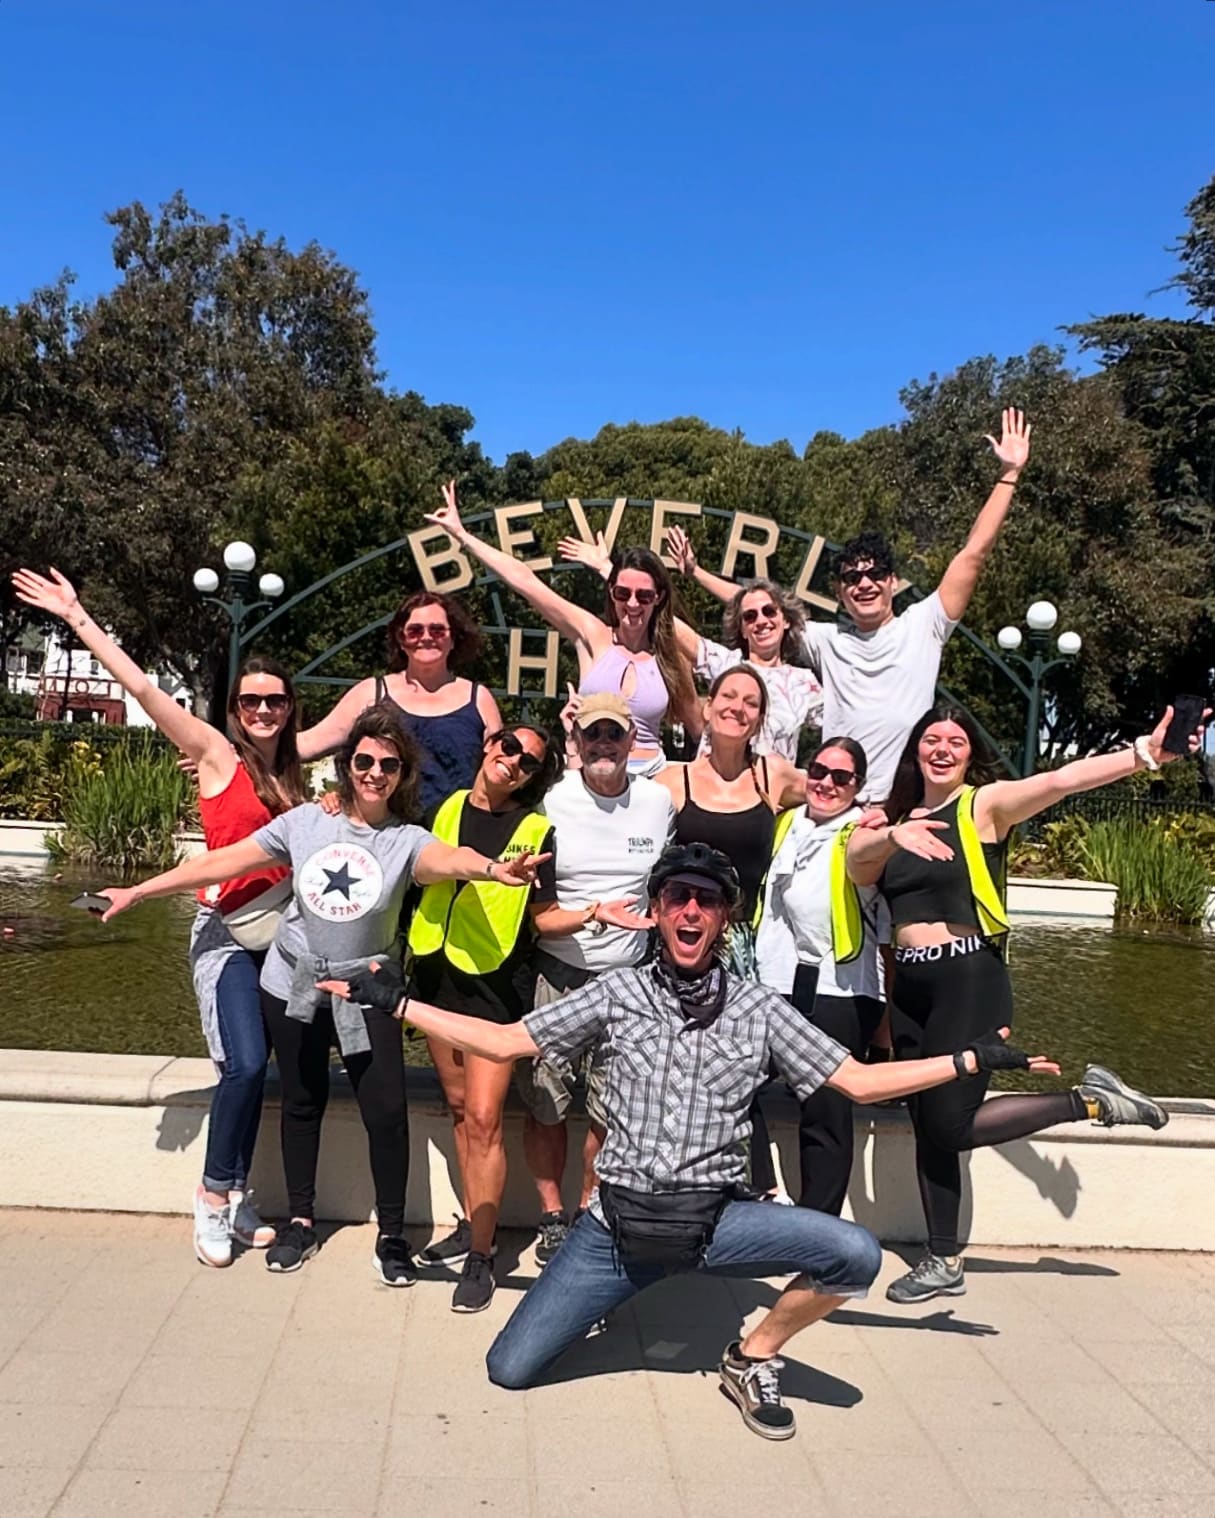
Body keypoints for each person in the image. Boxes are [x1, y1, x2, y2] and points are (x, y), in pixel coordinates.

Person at [322, 842, 1057, 1441]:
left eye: (706, 900)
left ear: (723, 919)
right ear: (656, 910)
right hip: (614, 1232)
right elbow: (507, 1040)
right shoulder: (619, 994)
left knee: (854, 1254)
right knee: (508, 1368)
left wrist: (969, 1060)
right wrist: (397, 1002)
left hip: (713, 1227)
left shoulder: (759, 1009)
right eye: (678, 897)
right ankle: (614, 1289)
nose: (691, 910)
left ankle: (750, 1356)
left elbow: (859, 1083)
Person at [96, 706, 549, 1286]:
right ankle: (301, 1221)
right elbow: (223, 861)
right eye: (364, 760)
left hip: (369, 990)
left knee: (386, 1113)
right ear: (347, 764)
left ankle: (391, 1237)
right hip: (294, 981)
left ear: (403, 773)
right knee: (302, 1103)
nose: (375, 773)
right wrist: (138, 891)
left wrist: (493, 870)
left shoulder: (408, 840)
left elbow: (450, 861)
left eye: (389, 764)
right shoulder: (307, 822)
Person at [847, 700, 1200, 1305]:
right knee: (929, 1128)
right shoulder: (894, 819)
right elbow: (856, 870)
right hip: (910, 985)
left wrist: (1142, 755)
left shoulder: (982, 806)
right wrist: (887, 833)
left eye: (955, 741)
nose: (943, 749)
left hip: (967, 978)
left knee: (950, 1125)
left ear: (968, 754)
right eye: (932, 738)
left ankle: (1086, 1101)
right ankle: (942, 1259)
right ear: (914, 750)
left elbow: (1059, 781)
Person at [12, 565, 309, 1268]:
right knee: (240, 1066)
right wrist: (77, 618)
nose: (263, 710)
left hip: (283, 940)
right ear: (234, 710)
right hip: (227, 935)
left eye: (275, 701)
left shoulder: (299, 776)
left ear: (290, 709)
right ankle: (211, 1196)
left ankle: (236, 1193)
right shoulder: (213, 755)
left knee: (263, 1067)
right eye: (251, 701)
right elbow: (142, 689)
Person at [666, 410, 1034, 802]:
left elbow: (972, 555)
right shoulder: (829, 640)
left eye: (875, 574)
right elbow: (762, 610)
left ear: (893, 581)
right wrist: (696, 573)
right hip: (838, 800)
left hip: (903, 802)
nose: (864, 583)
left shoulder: (924, 625)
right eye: (852, 578)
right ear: (840, 593)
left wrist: (1009, 475)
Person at [403, 723, 573, 1312]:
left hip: (496, 986)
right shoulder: (442, 807)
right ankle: (475, 1221)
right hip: (436, 971)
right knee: (457, 1111)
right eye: (509, 748)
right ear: (488, 747)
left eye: (529, 762)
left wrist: (595, 915)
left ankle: (482, 1255)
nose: (515, 763)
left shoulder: (535, 830)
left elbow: (543, 915)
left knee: (483, 1117)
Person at [515, 692, 676, 1262]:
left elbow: (669, 879)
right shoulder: (551, 802)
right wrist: (590, 914)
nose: (603, 745)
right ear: (577, 744)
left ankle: (589, 1209)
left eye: (614, 734)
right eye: (593, 735)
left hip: (629, 978)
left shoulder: (658, 803)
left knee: (610, 1110)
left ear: (632, 740)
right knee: (544, 1102)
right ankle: (551, 1215)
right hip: (559, 969)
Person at [655, 663, 809, 1195]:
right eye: (727, 696)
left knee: (741, 1062)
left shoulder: (775, 775)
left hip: (743, 944)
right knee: (675, 1059)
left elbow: (836, 795)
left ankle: (751, 1183)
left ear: (761, 717)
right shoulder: (672, 779)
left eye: (750, 702)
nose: (736, 708)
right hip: (679, 937)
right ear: (707, 704)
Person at [425, 482, 700, 769]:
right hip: (589, 778)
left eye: (644, 596)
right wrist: (462, 535)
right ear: (611, 593)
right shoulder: (593, 635)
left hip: (650, 783)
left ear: (658, 598)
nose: (632, 604)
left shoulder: (671, 658)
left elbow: (701, 731)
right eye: (622, 593)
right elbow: (526, 581)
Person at [756, 737, 886, 1214]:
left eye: (841, 777)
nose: (826, 783)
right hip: (775, 983)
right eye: (819, 770)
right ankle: (762, 1188)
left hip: (839, 990)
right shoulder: (787, 822)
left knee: (826, 1111)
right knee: (728, 1077)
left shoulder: (863, 832)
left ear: (858, 788)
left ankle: (819, 1230)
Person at [561, 531, 823, 762]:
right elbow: (664, 620)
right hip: (712, 791)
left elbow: (845, 724)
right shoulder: (728, 664)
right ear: (741, 627)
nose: (761, 621)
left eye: (769, 612)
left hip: (771, 799)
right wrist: (609, 571)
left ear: (786, 620)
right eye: (750, 616)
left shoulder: (805, 683)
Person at [295, 589, 501, 815]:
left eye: (437, 630)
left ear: (453, 639)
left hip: (455, 837)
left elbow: (499, 771)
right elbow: (307, 744)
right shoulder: (370, 693)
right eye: (414, 631)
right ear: (401, 639)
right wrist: (255, 740)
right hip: (385, 835)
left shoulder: (479, 698)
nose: (426, 637)